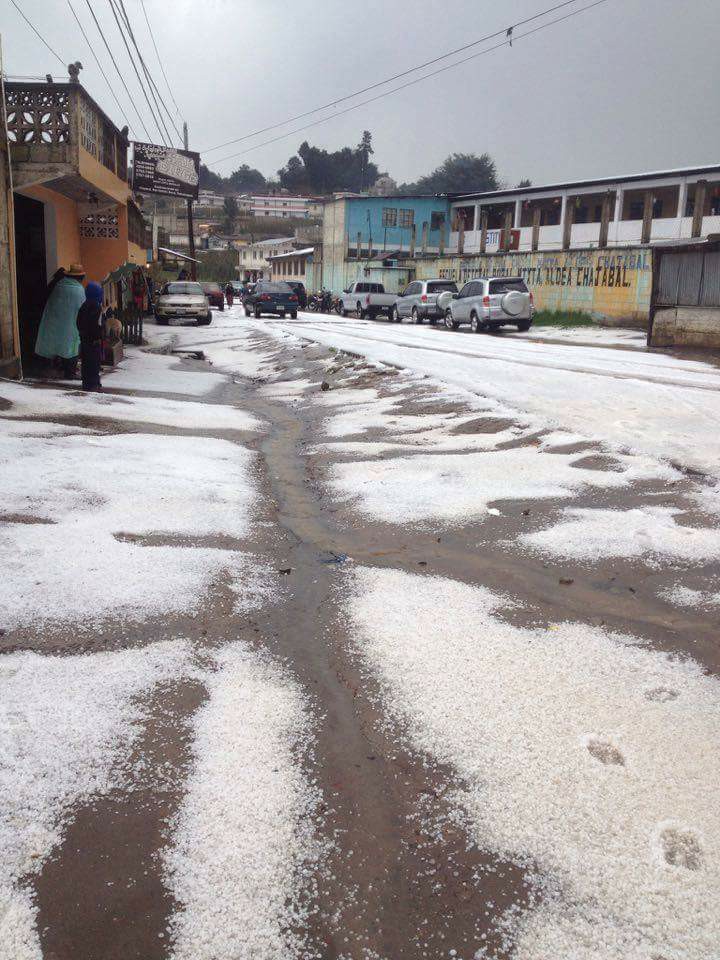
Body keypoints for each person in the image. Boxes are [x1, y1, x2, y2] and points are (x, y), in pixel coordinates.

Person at [35, 263, 86, 378]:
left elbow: (51, 305)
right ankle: (69, 373)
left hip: (54, 323)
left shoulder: (58, 285)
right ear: (80, 277)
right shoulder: (79, 290)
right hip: (71, 326)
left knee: (54, 344)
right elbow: (82, 309)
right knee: (70, 348)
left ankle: (49, 368)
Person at [76, 282, 104, 392]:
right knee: (94, 363)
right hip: (94, 341)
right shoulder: (97, 308)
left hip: (84, 340)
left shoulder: (83, 306)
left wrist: (82, 333)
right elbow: (98, 325)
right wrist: (99, 336)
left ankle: (86, 383)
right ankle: (94, 384)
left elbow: (78, 322)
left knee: (86, 362)